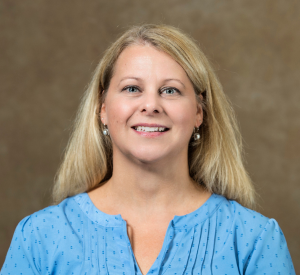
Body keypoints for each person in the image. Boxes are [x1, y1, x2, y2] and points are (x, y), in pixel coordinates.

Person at [0, 24, 295, 275]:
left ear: (199, 113)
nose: (151, 105)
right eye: (132, 88)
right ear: (102, 108)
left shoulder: (254, 241)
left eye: (170, 90)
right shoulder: (39, 237)